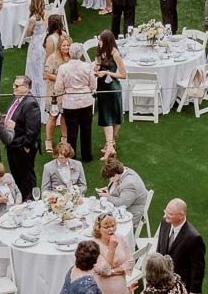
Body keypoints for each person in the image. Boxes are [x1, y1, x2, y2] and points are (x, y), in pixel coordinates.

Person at [154, 199, 205, 294]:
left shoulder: (194, 237)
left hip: (183, 288)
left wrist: (195, 291)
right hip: (164, 283)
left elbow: (198, 266)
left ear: (181, 215)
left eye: (170, 214)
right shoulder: (165, 222)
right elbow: (160, 248)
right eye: (166, 212)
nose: (166, 216)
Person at [55, 42, 96, 164]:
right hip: (86, 101)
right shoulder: (87, 66)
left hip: (70, 103)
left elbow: (58, 87)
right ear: (81, 54)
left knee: (71, 131)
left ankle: (71, 156)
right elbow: (93, 84)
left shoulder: (63, 68)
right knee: (86, 129)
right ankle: (87, 155)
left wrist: (63, 91)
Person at [3, 75, 43, 201]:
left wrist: (27, 146)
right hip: (13, 144)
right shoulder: (18, 99)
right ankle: (20, 198)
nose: (13, 87)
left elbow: (33, 129)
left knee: (26, 175)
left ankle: (29, 199)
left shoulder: (30, 103)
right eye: (14, 85)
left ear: (26, 87)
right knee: (17, 174)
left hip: (22, 147)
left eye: (17, 86)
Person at [94, 30, 126, 158]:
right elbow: (97, 64)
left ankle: (110, 143)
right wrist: (96, 69)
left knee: (114, 116)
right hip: (101, 87)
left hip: (112, 88)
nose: (99, 42)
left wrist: (107, 73)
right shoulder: (100, 52)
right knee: (105, 116)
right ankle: (110, 144)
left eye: (101, 40)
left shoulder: (115, 54)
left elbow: (123, 75)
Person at [40, 14, 66, 154]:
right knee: (53, 113)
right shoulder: (55, 37)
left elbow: (47, 57)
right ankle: (48, 140)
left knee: (63, 113)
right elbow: (50, 59)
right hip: (54, 82)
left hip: (63, 83)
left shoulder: (51, 38)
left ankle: (64, 138)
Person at [99, 158, 150, 228]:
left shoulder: (129, 183)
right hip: (124, 206)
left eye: (109, 178)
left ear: (115, 174)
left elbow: (122, 204)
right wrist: (109, 190)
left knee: (105, 225)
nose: (109, 180)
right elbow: (120, 189)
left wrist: (108, 197)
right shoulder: (123, 171)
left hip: (130, 213)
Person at [23, 0, 47, 94]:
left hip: (36, 43)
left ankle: (34, 90)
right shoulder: (47, 13)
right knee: (42, 65)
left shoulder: (33, 18)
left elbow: (28, 34)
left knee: (34, 67)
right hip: (44, 41)